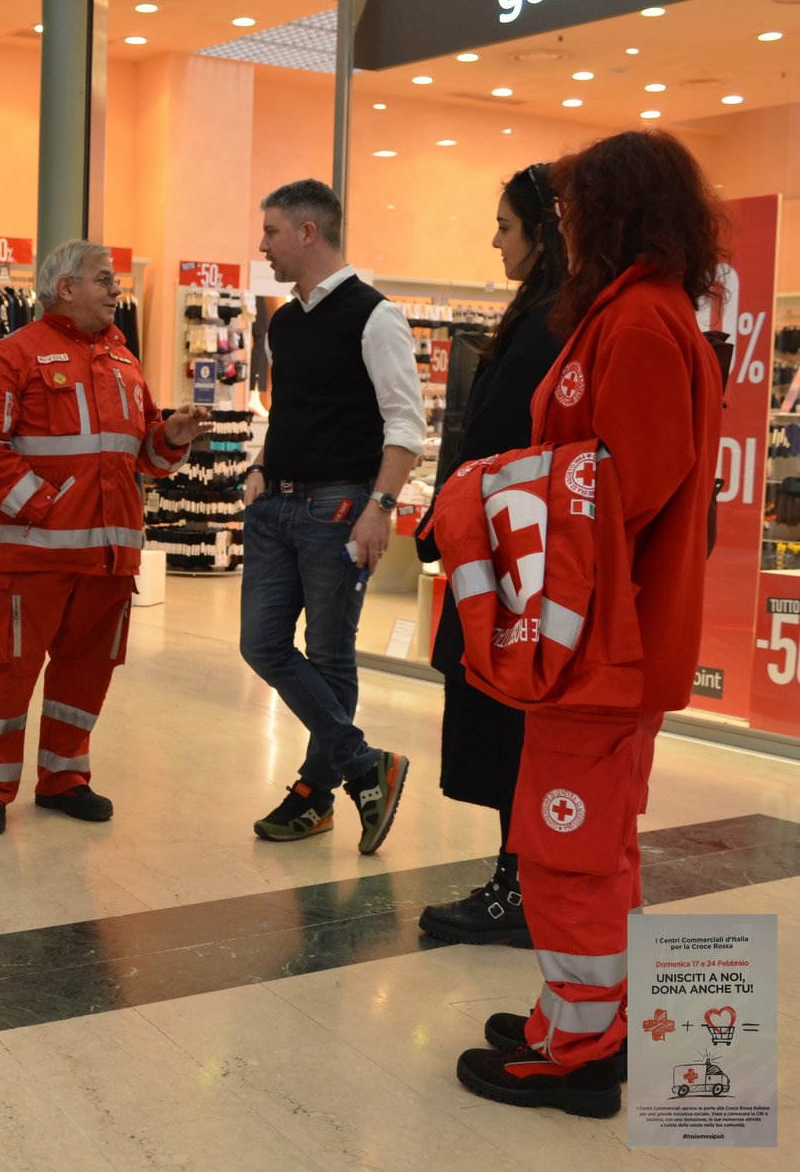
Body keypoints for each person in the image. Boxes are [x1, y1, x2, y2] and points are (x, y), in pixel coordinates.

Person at [447, 130, 725, 1117]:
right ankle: (584, 1012)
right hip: (592, 639)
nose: (559, 225)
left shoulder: (640, 325)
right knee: (588, 844)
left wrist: (487, 487)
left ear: (613, 213)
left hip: (601, 645)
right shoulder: (624, 314)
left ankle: (579, 1049)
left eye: (571, 209)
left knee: (567, 849)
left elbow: (626, 489)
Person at [0, 240, 212, 837]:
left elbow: (142, 458)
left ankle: (64, 778)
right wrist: (43, 506)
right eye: (103, 279)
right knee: (10, 671)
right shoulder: (11, 355)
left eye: (114, 279)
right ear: (65, 287)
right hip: (38, 556)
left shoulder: (124, 360)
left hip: (110, 559)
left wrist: (170, 436)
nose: (115, 289)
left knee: (86, 673)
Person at [241, 178, 424, 854]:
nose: (264, 246)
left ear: (308, 233)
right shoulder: (284, 322)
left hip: (340, 507)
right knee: (260, 644)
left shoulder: (374, 315)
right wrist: (261, 468)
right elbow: (287, 410)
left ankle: (314, 796)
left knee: (327, 652)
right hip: (277, 505)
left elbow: (407, 423)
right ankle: (363, 765)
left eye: (272, 232)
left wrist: (380, 507)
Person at [416, 164, 566, 946]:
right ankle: (519, 878)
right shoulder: (545, 313)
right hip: (518, 552)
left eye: (506, 226)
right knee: (509, 722)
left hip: (521, 560)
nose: (496, 239)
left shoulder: (551, 321)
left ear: (543, 234)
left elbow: (506, 442)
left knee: (512, 722)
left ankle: (519, 886)